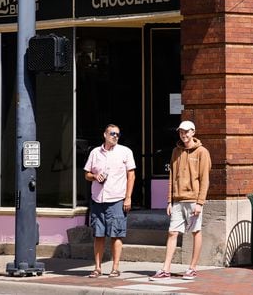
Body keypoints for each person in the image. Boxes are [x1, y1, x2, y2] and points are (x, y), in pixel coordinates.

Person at [149, 120, 212, 281]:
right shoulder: (175, 151)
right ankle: (165, 269)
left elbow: (205, 179)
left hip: (193, 199)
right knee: (172, 232)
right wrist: (169, 200)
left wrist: (200, 202)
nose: (183, 134)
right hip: (177, 199)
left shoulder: (202, 152)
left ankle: (192, 268)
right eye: (180, 131)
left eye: (186, 131)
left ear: (193, 132)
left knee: (196, 231)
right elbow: (172, 176)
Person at [83, 123, 136, 278]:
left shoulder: (125, 152)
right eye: (112, 133)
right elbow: (86, 174)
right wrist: (94, 176)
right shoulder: (95, 153)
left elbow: (131, 175)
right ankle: (97, 268)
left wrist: (128, 197)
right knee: (98, 234)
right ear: (105, 135)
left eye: (118, 134)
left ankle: (115, 267)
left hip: (117, 199)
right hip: (98, 199)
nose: (115, 137)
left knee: (116, 234)